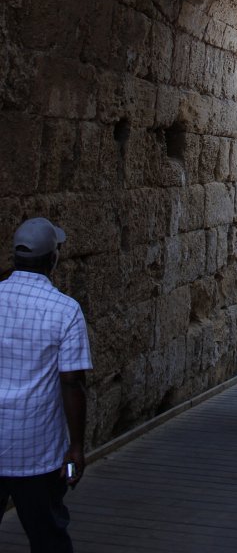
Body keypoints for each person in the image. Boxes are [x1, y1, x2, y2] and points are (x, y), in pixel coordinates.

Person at [0, 216, 92, 552]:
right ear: (53, 259)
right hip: (37, 450)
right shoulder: (65, 310)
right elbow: (72, 383)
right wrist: (76, 448)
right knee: (48, 537)